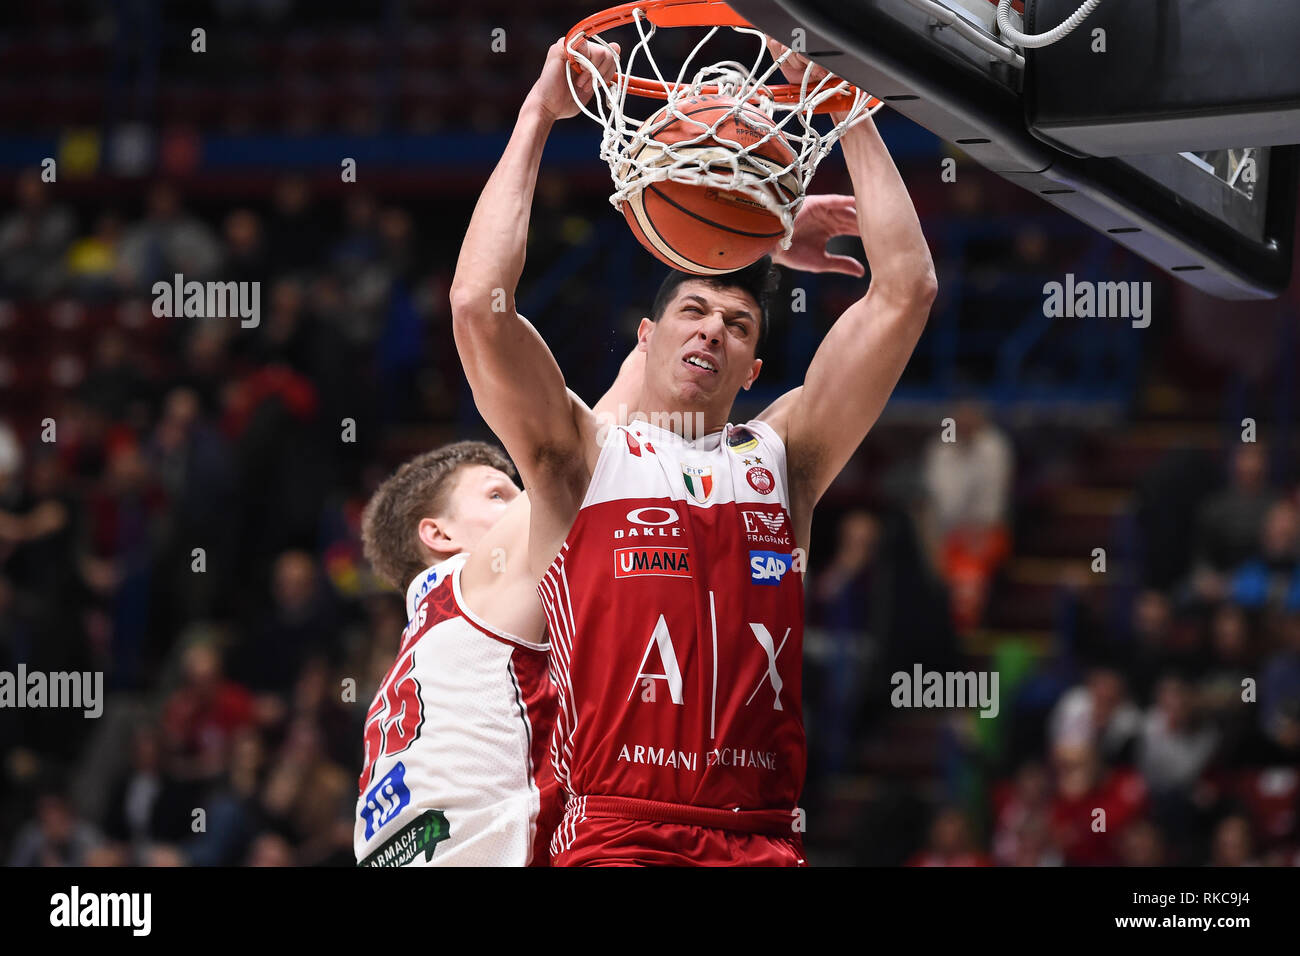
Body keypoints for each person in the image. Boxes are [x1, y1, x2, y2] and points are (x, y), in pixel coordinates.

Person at [451, 38, 936, 865]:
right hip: (618, 831)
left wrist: (848, 111)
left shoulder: (787, 461)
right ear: (646, 338)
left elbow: (906, 290)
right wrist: (537, 116)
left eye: (738, 323)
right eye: (694, 310)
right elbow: (478, 306)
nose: (714, 326)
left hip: (764, 835)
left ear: (751, 370)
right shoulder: (581, 456)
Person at [354, 355, 643, 867]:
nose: (520, 504)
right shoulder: (475, 587)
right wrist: (659, 337)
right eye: (497, 494)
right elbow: (578, 463)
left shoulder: (416, 657)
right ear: (439, 535)